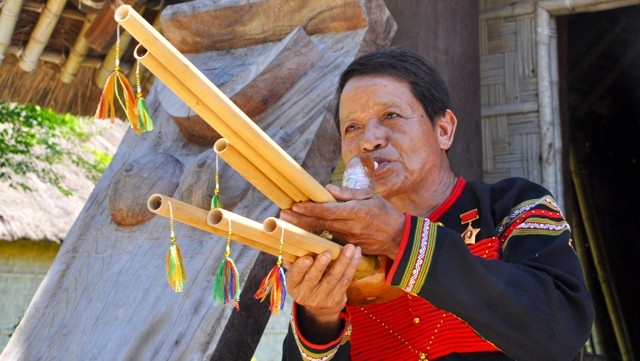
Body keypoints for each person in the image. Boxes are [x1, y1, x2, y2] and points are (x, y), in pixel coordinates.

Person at [279, 47, 594, 361]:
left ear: (443, 130)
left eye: (391, 116)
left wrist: (400, 238)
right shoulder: (340, 253)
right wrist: (319, 317)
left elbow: (560, 333)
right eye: (352, 127)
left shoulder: (511, 206)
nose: (368, 140)